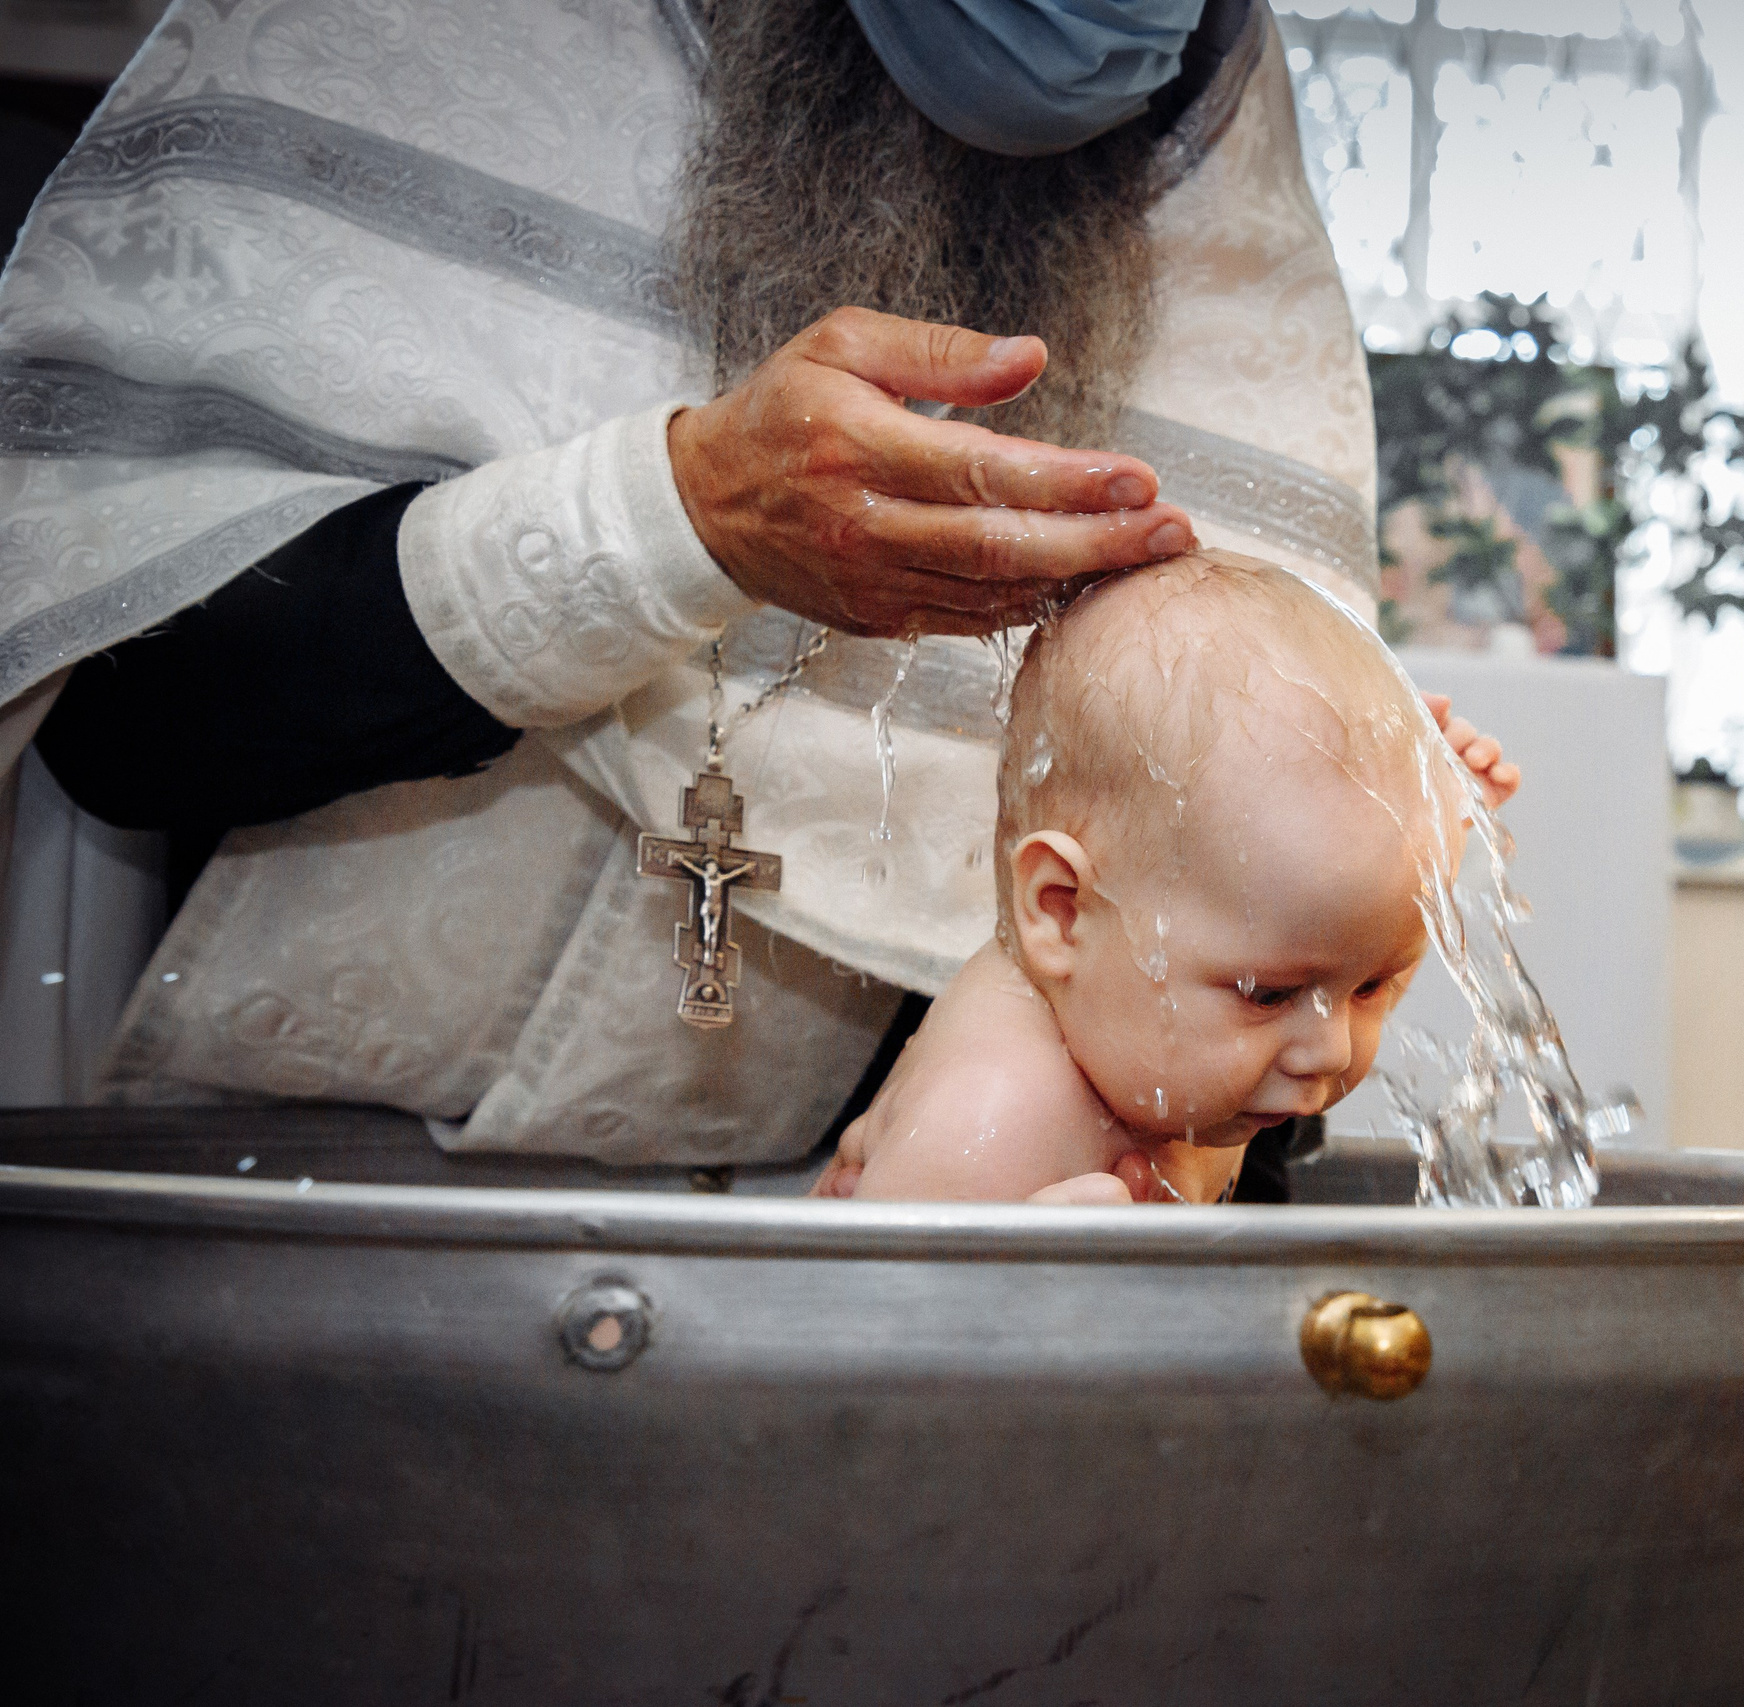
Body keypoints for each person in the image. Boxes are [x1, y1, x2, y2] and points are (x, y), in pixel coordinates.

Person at [0, 0, 1403, 1173]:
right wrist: (681, 522)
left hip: (806, 1271)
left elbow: (1245, 995)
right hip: (273, 1207)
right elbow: (123, 710)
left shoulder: (1202, 122)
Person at [816, 550, 1515, 1205]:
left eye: (1370, 986)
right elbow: (856, 1329)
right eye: (1267, 994)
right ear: (1062, 909)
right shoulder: (993, 1124)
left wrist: (1422, 854)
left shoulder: (1178, 1034)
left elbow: (1340, 943)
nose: (1332, 1050)